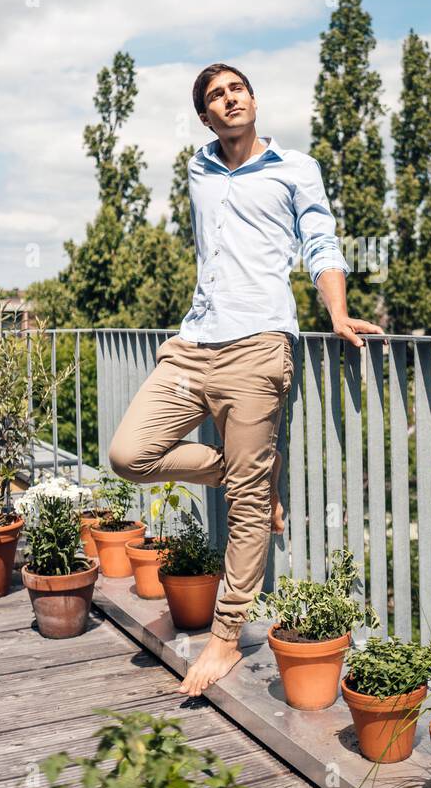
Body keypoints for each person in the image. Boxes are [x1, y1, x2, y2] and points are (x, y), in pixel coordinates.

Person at [107, 62, 384, 693]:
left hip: (258, 346)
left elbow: (321, 243)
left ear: (253, 100)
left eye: (237, 90)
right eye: (215, 97)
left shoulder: (296, 167)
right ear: (206, 116)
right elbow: (212, 255)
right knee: (130, 454)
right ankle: (254, 471)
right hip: (192, 345)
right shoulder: (198, 169)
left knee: (247, 506)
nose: (229, 100)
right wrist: (186, 327)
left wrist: (336, 311)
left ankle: (226, 638)